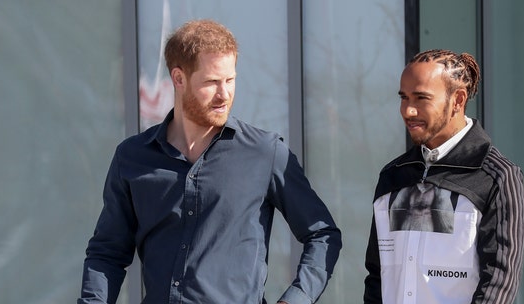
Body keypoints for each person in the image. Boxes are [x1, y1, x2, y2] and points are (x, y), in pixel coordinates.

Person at [78, 19, 342, 304]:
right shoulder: (132, 158)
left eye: (230, 80)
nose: (224, 94)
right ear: (179, 79)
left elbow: (322, 234)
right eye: (212, 82)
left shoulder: (265, 153)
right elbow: (107, 254)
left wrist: (296, 299)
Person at [363, 49, 524, 304]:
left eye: (421, 98)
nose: (409, 111)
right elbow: (376, 277)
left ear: (458, 100)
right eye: (404, 98)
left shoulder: (497, 177)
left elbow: (498, 285)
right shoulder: (392, 176)